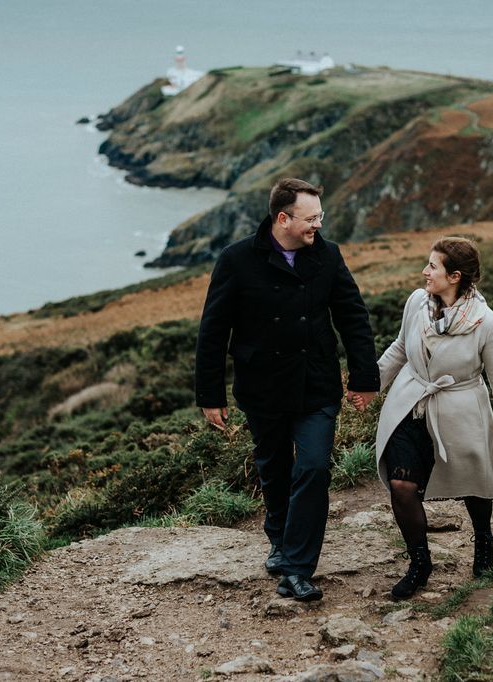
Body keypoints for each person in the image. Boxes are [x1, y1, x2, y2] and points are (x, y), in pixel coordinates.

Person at [194, 178, 379, 602]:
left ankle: (296, 568)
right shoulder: (237, 259)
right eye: (311, 218)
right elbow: (213, 331)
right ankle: (279, 539)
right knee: (274, 468)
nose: (319, 224)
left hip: (317, 385)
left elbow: (353, 317)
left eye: (320, 216)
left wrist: (365, 379)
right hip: (262, 386)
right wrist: (210, 395)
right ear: (283, 218)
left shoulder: (328, 256)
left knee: (313, 468)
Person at [356, 236, 493, 600]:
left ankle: (483, 538)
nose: (424, 272)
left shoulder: (487, 324)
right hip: (410, 402)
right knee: (401, 485)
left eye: (433, 266)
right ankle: (419, 562)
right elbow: (400, 348)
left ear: (455, 276)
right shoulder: (417, 302)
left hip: (462, 408)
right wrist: (369, 387)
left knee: (473, 481)